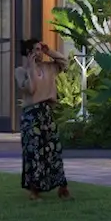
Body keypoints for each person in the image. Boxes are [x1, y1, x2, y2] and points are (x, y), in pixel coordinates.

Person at [14, 38, 71, 200]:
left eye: (40, 49)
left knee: (53, 150)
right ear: (29, 53)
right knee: (33, 152)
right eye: (36, 50)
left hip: (46, 113)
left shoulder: (49, 67)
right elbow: (31, 90)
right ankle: (34, 191)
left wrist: (49, 51)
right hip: (31, 115)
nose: (39, 53)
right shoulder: (20, 71)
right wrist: (31, 68)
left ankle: (62, 188)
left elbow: (65, 63)